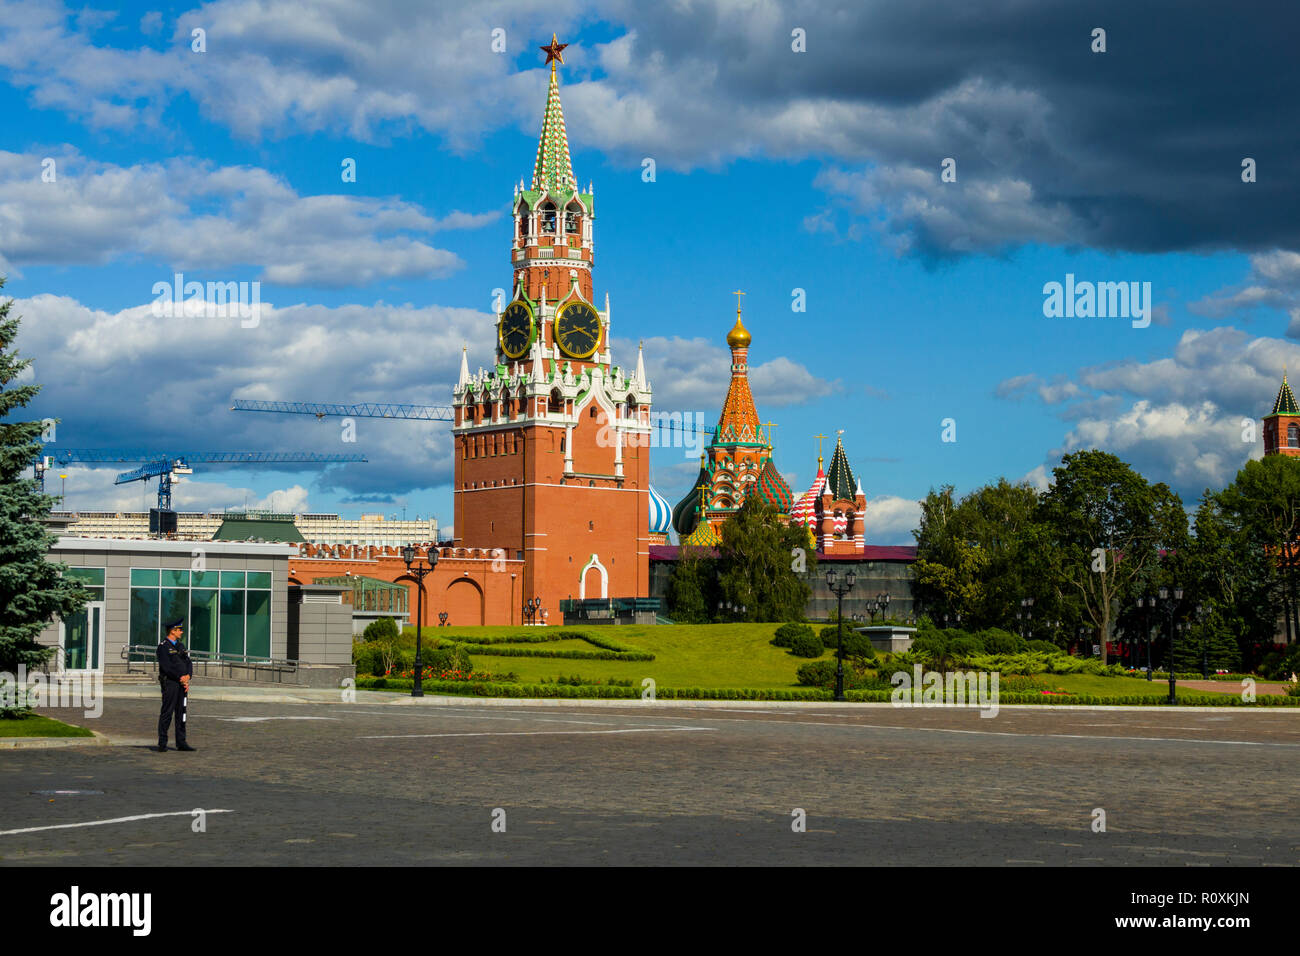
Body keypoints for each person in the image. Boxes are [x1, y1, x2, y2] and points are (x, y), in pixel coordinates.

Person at [156, 619, 196, 752]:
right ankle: (162, 742)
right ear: (172, 631)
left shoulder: (180, 646)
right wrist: (180, 678)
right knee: (167, 713)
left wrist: (188, 676)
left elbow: (188, 662)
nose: (182, 632)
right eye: (179, 629)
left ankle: (181, 741)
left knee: (181, 713)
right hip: (170, 684)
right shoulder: (163, 647)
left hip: (182, 685)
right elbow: (167, 667)